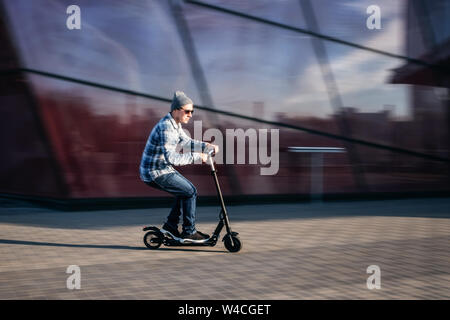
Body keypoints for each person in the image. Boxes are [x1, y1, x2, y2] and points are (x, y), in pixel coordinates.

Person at [140, 91, 219, 243]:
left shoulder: (174, 124)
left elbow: (186, 142)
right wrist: (197, 156)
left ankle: (170, 226)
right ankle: (189, 232)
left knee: (184, 191)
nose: (190, 114)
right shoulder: (166, 128)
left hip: (162, 168)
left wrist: (206, 146)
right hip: (154, 172)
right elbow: (172, 158)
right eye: (187, 111)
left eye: (192, 111)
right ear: (176, 110)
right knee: (190, 191)